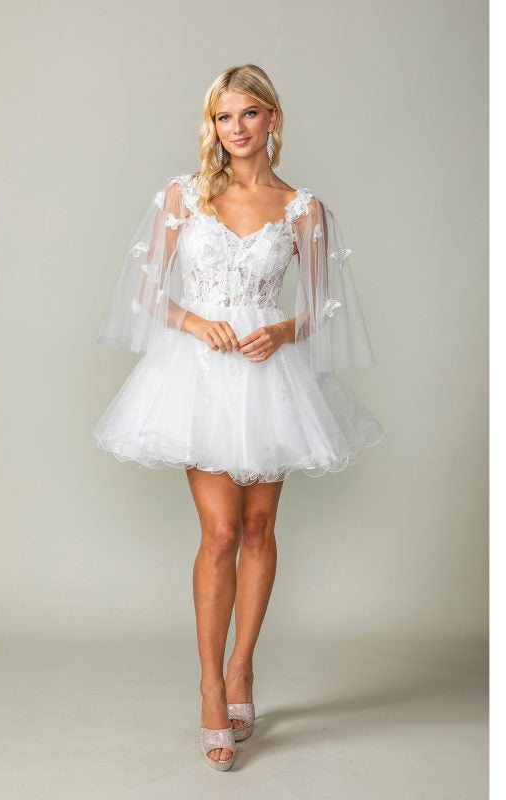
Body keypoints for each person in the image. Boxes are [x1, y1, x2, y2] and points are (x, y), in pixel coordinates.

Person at [92, 64, 387, 771]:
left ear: (272, 119)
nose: (236, 128)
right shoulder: (183, 196)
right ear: (213, 125)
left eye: (249, 114)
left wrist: (283, 329)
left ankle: (242, 668)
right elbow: (143, 293)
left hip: (269, 376)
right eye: (224, 117)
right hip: (198, 375)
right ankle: (208, 688)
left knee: (258, 528)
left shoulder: (302, 208)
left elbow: (324, 307)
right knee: (220, 533)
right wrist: (195, 321)